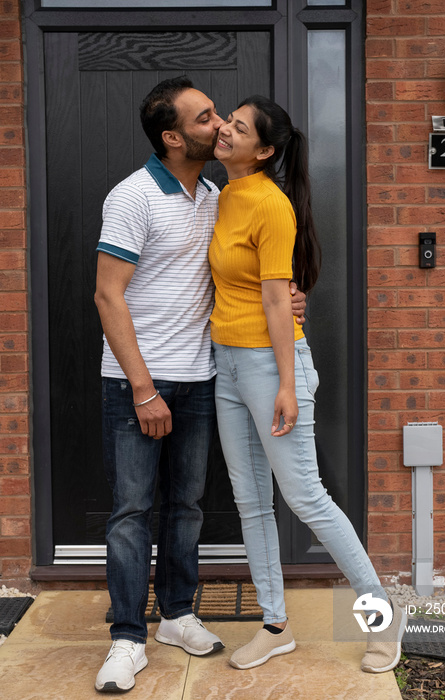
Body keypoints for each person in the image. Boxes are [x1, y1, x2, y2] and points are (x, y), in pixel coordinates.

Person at [93, 78, 306, 693]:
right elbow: (108, 295)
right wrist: (142, 388)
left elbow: (249, 275)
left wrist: (294, 298)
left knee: (186, 507)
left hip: (203, 374)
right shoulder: (132, 197)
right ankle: (127, 637)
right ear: (172, 135)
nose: (219, 125)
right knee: (132, 511)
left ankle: (178, 614)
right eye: (206, 116)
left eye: (220, 115)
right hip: (139, 381)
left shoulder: (218, 194)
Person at [209, 95, 406, 674]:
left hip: (273, 366)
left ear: (265, 151)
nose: (224, 129)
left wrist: (289, 386)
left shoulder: (272, 205)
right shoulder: (225, 196)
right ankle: (275, 626)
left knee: (308, 499)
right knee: (251, 503)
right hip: (227, 365)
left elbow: (275, 297)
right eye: (228, 121)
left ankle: (383, 621)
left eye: (238, 128)